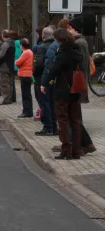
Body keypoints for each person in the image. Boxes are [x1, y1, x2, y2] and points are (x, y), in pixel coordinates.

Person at [41, 28, 83, 160]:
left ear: (59, 40)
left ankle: (66, 150)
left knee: (63, 120)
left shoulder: (63, 52)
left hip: (62, 90)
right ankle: (76, 150)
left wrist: (45, 83)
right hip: (75, 89)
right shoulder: (77, 50)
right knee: (75, 120)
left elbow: (54, 69)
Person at [65, 16, 97, 154]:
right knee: (76, 117)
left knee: (76, 118)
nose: (67, 31)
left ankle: (81, 144)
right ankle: (85, 144)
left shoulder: (79, 43)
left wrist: (79, 80)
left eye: (69, 28)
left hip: (77, 83)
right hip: (78, 82)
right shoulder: (79, 42)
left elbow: (82, 64)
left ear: (74, 29)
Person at [34, 27, 57, 136]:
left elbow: (39, 64)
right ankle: (54, 126)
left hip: (43, 78)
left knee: (44, 102)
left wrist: (35, 74)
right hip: (54, 78)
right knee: (52, 102)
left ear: (43, 35)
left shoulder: (42, 47)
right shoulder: (56, 45)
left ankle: (48, 127)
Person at [15, 38, 34, 118]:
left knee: (25, 94)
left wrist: (16, 62)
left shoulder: (26, 53)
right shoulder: (30, 52)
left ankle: (27, 111)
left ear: (22, 45)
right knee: (27, 94)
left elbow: (18, 62)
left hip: (25, 75)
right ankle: (28, 111)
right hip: (27, 75)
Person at [0, 30, 15, 105]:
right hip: (10, 65)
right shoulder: (12, 43)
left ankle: (6, 99)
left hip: (5, 66)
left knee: (4, 83)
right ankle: (11, 97)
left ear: (3, 35)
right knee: (10, 83)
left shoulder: (5, 44)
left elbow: (1, 55)